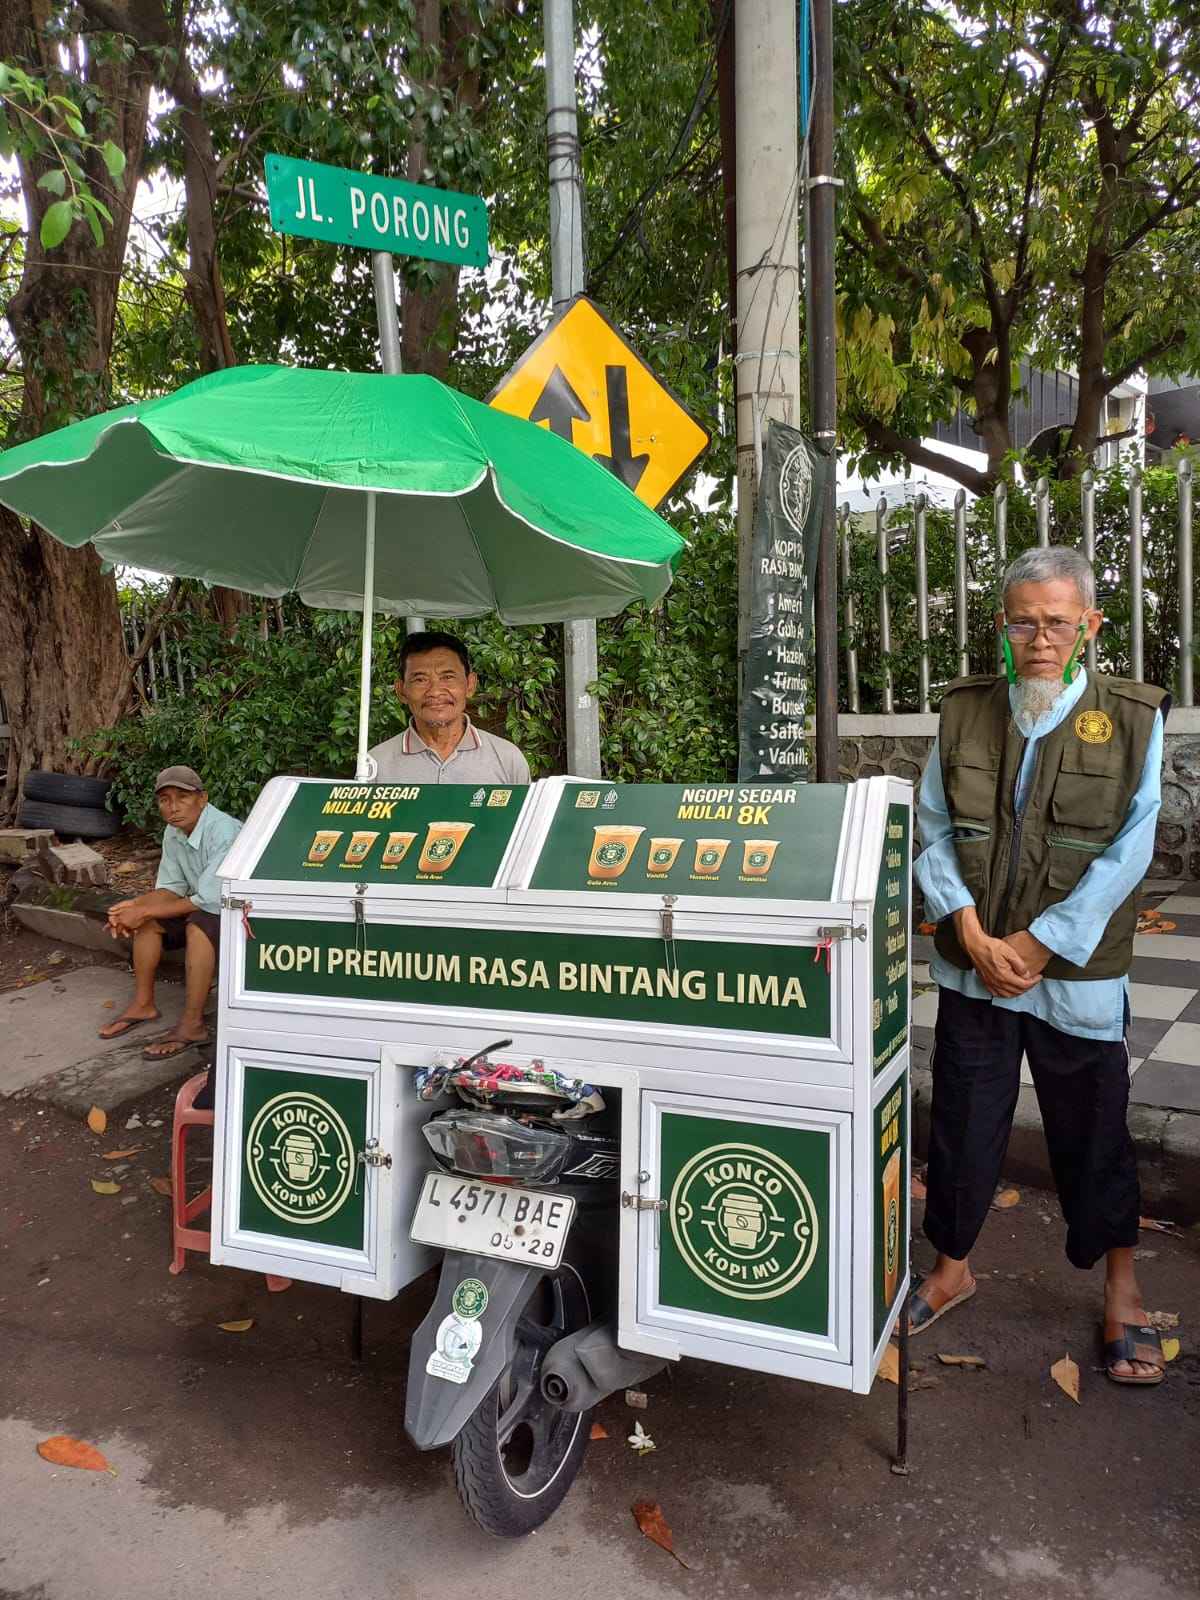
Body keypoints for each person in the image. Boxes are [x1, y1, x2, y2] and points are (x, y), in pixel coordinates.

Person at [912, 546, 1169, 1386]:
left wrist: (1041, 942)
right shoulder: (965, 711)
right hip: (974, 965)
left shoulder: (1132, 717)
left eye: (1058, 622)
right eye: (1023, 623)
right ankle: (952, 1268)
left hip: (1075, 977)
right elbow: (933, 826)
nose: (1041, 639)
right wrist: (970, 929)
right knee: (961, 1123)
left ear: (1089, 625)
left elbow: (1131, 848)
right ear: (1002, 626)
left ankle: (1122, 1289)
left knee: (1095, 1134)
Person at [99, 766, 241, 1061]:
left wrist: (142, 910)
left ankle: (193, 1025)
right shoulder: (174, 831)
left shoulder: (223, 831)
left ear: (202, 798)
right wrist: (133, 908)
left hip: (240, 911)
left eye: (182, 797)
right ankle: (143, 1004)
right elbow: (172, 888)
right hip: (205, 904)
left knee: (197, 927)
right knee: (149, 921)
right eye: (165, 799)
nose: (173, 807)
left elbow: (209, 899)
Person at [368, 630, 531, 784]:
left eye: (447, 677)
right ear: (401, 691)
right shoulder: (375, 765)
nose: (435, 691)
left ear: (470, 684)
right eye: (420, 680)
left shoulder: (508, 759)